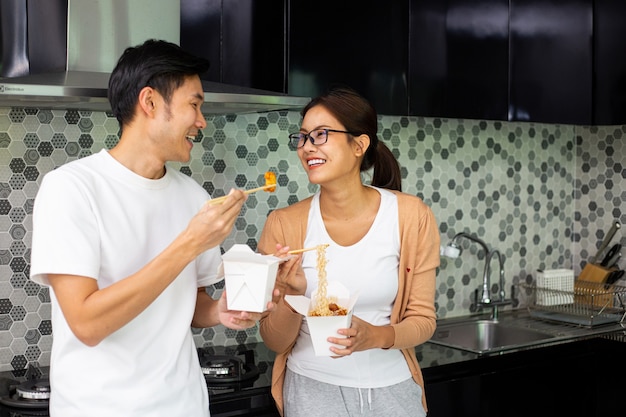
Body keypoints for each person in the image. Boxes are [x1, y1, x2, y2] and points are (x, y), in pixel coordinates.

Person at [29, 39, 269, 417]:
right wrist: (189, 244)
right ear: (150, 102)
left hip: (184, 405)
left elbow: (192, 305)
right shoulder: (71, 189)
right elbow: (88, 324)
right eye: (195, 104)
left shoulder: (192, 196)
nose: (202, 121)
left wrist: (222, 310)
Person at [257, 86, 441, 417]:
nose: (306, 147)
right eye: (302, 138)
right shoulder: (284, 225)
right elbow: (274, 340)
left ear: (359, 145)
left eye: (320, 135)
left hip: (393, 393)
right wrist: (291, 298)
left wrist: (375, 336)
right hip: (312, 394)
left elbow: (423, 320)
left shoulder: (411, 217)